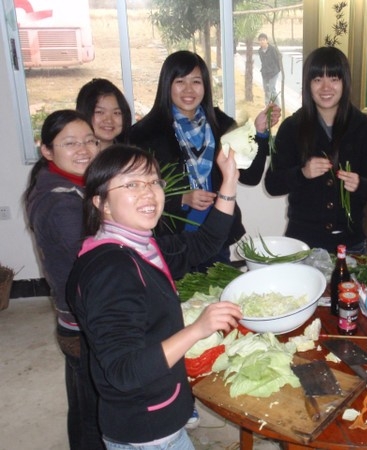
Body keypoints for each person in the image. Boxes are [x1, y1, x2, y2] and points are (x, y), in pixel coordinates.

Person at [67, 145, 242, 449]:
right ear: (102, 202)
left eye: (153, 181)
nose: (148, 192)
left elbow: (205, 242)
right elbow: (124, 371)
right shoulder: (113, 271)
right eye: (132, 184)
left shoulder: (141, 245)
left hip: (158, 412)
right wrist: (197, 329)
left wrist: (228, 181)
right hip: (147, 432)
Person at [129, 50, 281, 270]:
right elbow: (133, 194)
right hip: (172, 242)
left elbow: (250, 177)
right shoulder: (144, 134)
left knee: (220, 289)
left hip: (216, 234)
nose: (189, 89)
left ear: (206, 86)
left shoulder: (220, 124)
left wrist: (259, 133)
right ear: (166, 85)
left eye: (196, 81)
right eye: (180, 81)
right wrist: (181, 199)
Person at [24, 110, 104, 449]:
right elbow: (94, 265)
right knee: (94, 410)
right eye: (70, 143)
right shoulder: (61, 202)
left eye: (89, 141)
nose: (83, 149)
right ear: (47, 150)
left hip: (74, 318)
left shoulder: (70, 185)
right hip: (84, 322)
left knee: (84, 401)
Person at [264, 46, 367, 254]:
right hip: (302, 244)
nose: (326, 87)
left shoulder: (363, 127)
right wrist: (302, 173)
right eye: (317, 79)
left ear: (344, 82)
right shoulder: (292, 127)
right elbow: (272, 184)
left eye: (334, 79)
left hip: (351, 244)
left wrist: (360, 184)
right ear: (308, 84)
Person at [76, 78, 132, 150]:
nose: (109, 120)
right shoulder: (73, 155)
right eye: (100, 112)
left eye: (116, 113)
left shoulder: (132, 155)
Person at [257, 33, 282, 105]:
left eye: (263, 40)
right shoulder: (260, 51)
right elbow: (263, 62)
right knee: (266, 89)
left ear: (267, 40)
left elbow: (278, 58)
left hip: (274, 72)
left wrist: (277, 69)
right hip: (265, 73)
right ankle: (267, 106)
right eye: (260, 40)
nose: (262, 41)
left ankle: (276, 106)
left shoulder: (272, 49)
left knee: (271, 89)